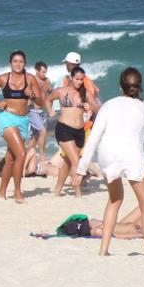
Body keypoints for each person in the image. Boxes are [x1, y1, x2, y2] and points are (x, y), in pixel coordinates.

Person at [73, 67, 144, 258]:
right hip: (132, 157)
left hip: (107, 156)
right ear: (140, 87)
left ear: (120, 87)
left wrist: (81, 169)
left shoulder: (108, 105)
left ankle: (103, 251)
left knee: (114, 200)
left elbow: (93, 139)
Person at [0, 50, 42, 203]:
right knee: (21, 154)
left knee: (10, 159)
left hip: (23, 121)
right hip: (6, 118)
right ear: (10, 63)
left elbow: (41, 102)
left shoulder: (30, 79)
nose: (18, 64)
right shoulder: (3, 79)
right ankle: (17, 192)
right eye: (15, 61)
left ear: (25, 63)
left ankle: (1, 191)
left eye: (21, 61)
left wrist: (32, 96)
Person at [45, 66, 100, 197]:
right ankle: (78, 194)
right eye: (77, 79)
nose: (79, 82)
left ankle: (57, 190)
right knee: (76, 161)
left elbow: (98, 108)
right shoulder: (61, 91)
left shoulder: (85, 93)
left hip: (80, 131)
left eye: (81, 79)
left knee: (68, 162)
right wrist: (50, 111)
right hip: (64, 129)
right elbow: (48, 99)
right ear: (71, 77)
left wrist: (90, 106)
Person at [29, 61, 52, 160]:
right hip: (32, 110)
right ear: (37, 70)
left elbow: (50, 93)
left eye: (45, 72)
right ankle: (42, 157)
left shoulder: (47, 81)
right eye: (43, 72)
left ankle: (26, 156)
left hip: (42, 112)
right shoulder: (32, 80)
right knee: (43, 131)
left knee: (35, 137)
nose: (44, 74)